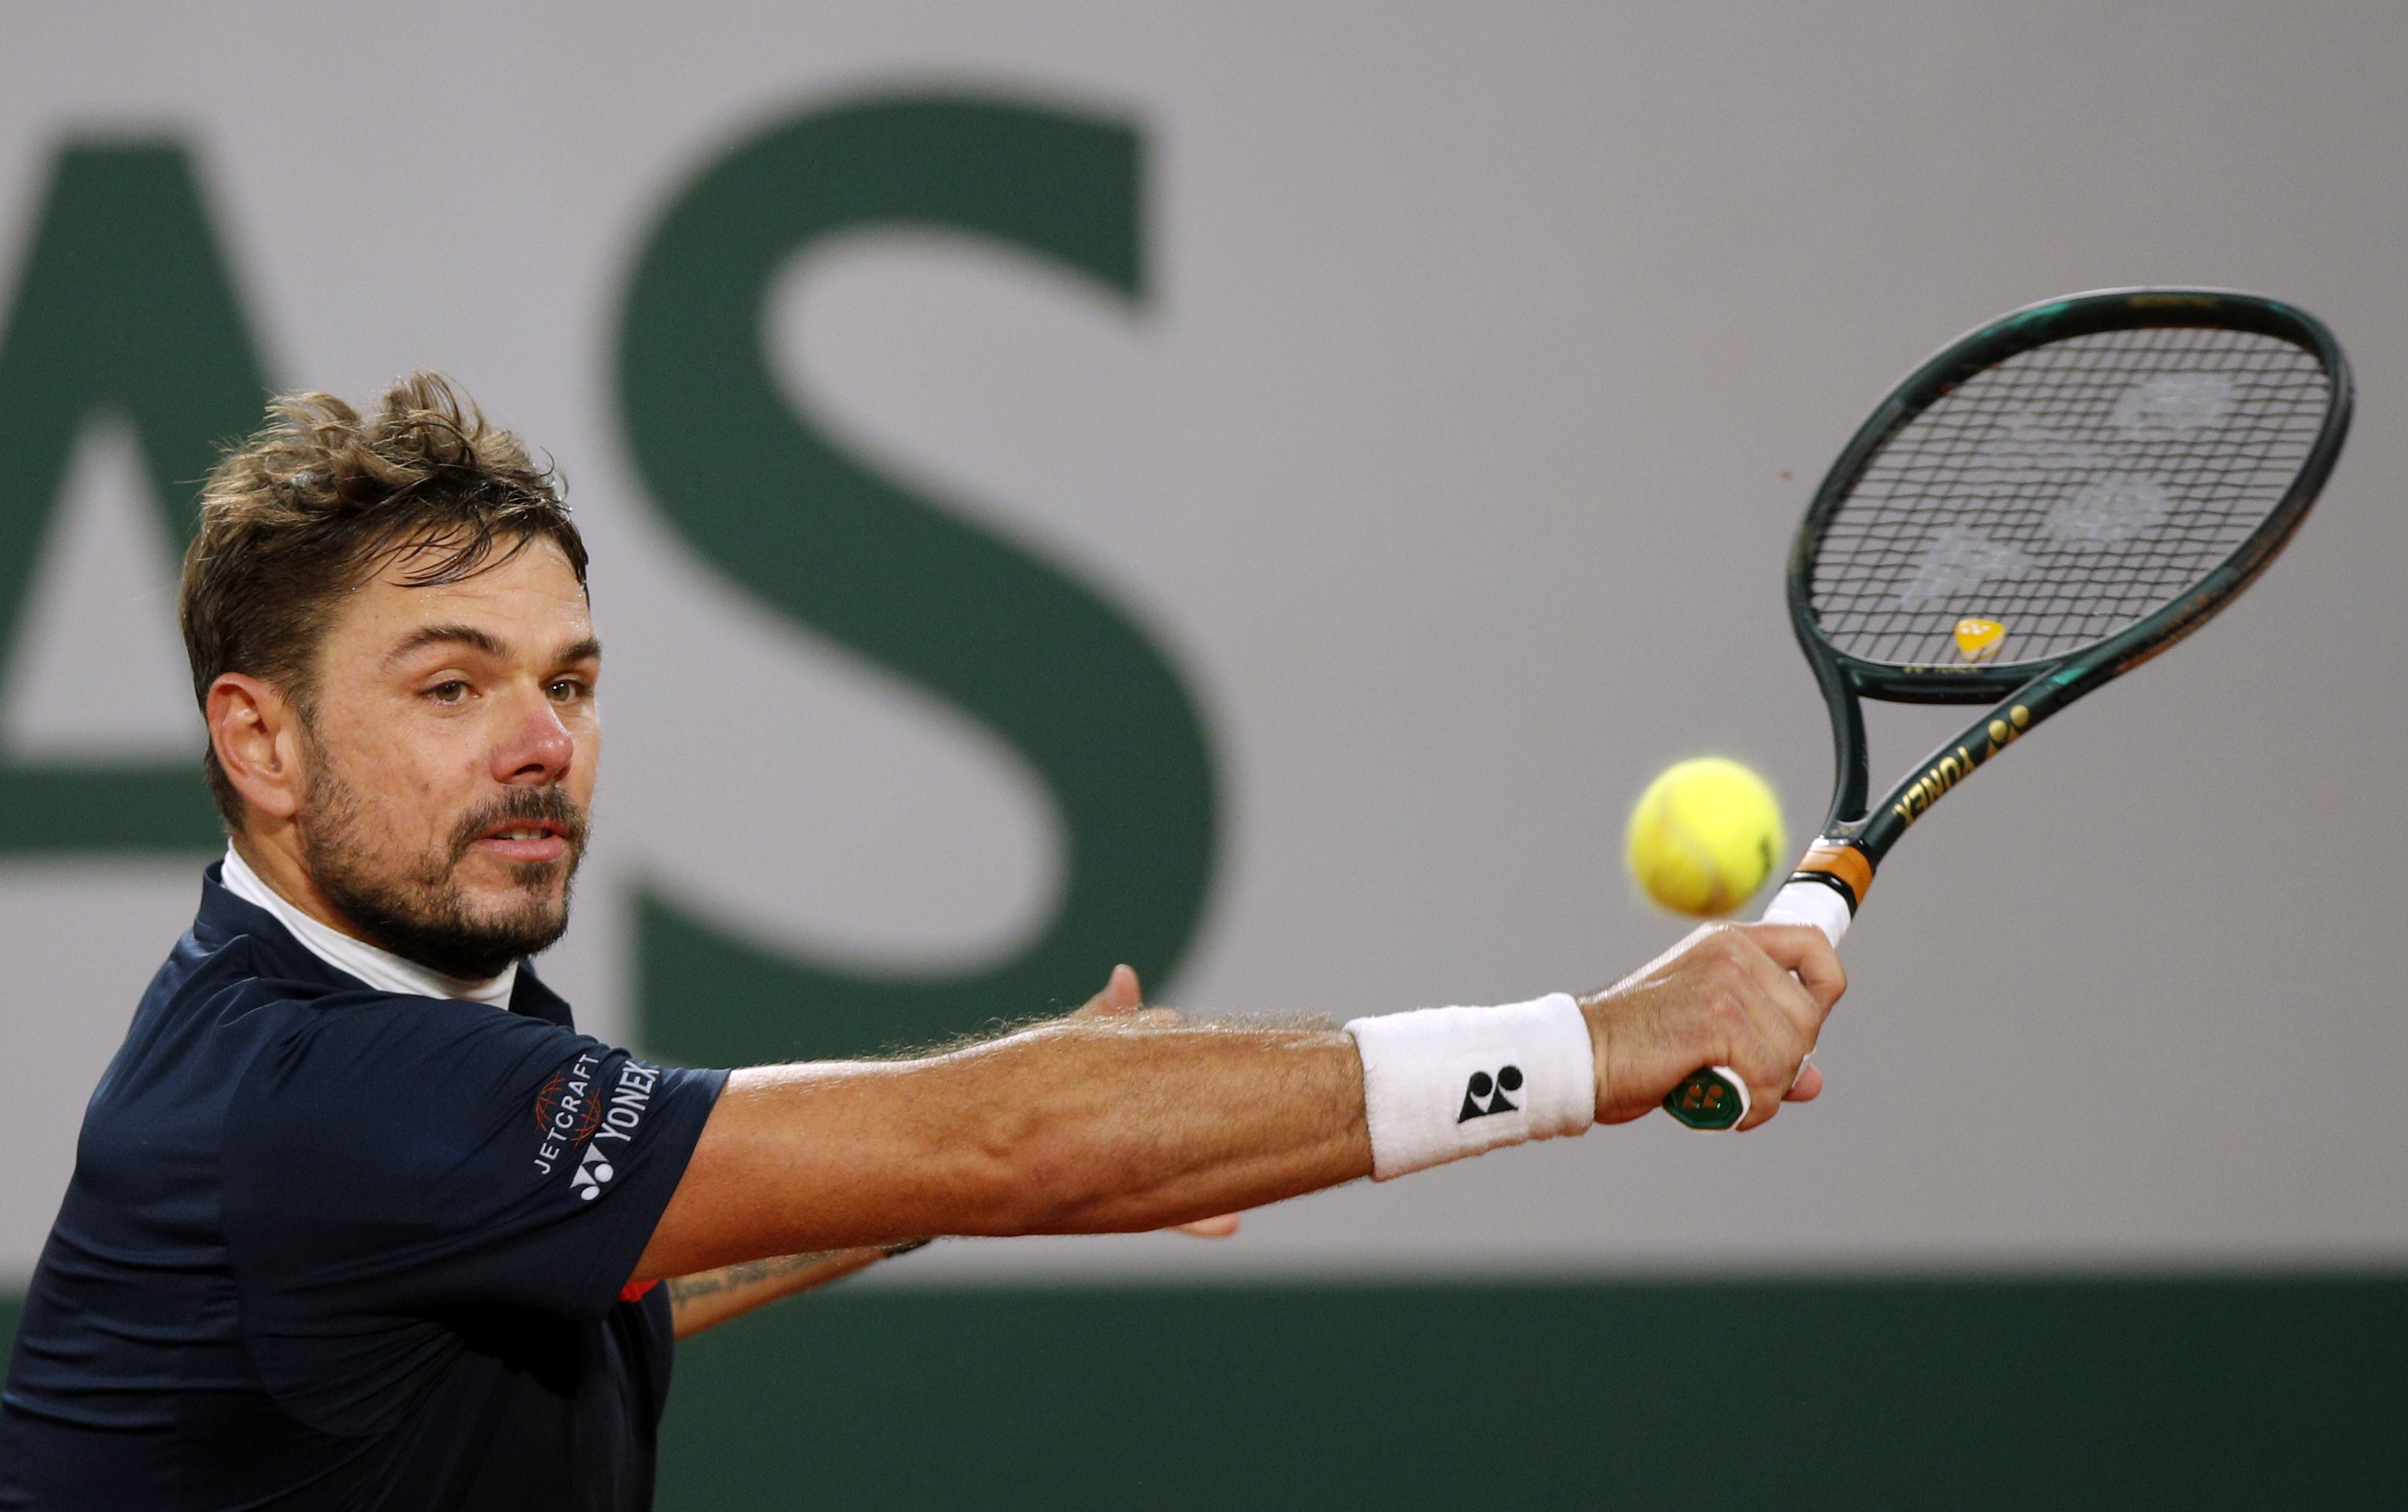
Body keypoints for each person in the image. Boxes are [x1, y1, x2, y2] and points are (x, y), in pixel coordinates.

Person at [0, 374, 1843, 1510]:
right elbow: (1020, 1138)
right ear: (259, 740)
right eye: (450, 685)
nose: (542, 740)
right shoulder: (316, 1093)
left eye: (567, 679)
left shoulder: (371, 1022)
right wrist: (1601, 1045)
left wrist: (1108, 1131)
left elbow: (593, 1290)